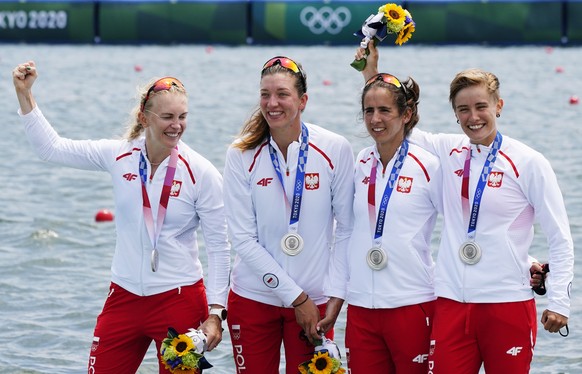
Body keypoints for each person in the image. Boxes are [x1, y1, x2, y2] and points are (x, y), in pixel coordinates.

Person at [359, 42, 574, 373]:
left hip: (507, 304)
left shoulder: (529, 162)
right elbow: (391, 124)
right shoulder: (447, 150)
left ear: (498, 106)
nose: (473, 118)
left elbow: (560, 238)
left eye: (481, 107)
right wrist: (371, 74)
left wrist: (560, 301)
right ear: (454, 113)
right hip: (451, 305)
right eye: (462, 109)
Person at [12, 61, 231, 373]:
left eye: (182, 117)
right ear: (144, 117)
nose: (176, 125)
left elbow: (220, 248)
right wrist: (25, 95)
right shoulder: (119, 154)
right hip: (124, 298)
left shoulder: (202, 173)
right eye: (167, 117)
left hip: (179, 301)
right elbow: (51, 149)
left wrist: (216, 313)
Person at [222, 56, 354, 373]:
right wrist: (297, 298)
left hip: (317, 302)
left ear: (303, 100)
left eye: (282, 94)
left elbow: (347, 230)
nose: (272, 103)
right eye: (265, 94)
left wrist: (334, 300)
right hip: (254, 299)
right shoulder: (241, 153)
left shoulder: (334, 148)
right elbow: (242, 239)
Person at [318, 70, 442, 373]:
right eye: (369, 111)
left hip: (412, 304)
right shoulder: (359, 161)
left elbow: (462, 226)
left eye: (385, 110)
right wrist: (337, 297)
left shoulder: (429, 166)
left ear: (406, 113)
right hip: (361, 309)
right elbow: (346, 233)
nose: (375, 119)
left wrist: (525, 261)